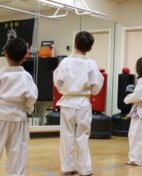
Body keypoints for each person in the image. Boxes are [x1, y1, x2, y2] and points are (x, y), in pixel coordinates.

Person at [0, 37, 38, 176]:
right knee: (17, 152)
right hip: (19, 117)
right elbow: (31, 98)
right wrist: (27, 109)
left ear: (5, 54)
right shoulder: (26, 77)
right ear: (25, 56)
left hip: (0, 115)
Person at [53, 31, 104, 176]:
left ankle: (67, 167)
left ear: (74, 44)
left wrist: (65, 89)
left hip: (68, 101)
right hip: (83, 103)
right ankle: (85, 169)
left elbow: (58, 81)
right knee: (83, 135)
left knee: (67, 135)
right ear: (90, 48)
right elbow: (96, 87)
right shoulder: (91, 64)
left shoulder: (65, 62)